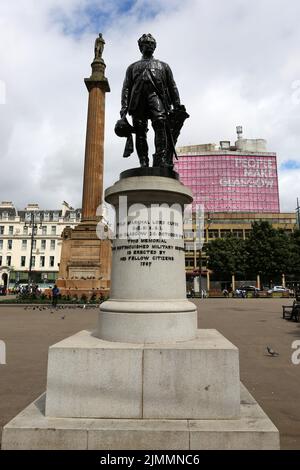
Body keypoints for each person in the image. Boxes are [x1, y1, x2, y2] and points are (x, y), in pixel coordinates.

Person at [118, 33, 187, 169]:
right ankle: (143, 161)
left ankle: (160, 158)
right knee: (140, 131)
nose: (149, 45)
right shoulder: (132, 67)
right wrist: (124, 106)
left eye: (151, 43)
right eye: (146, 43)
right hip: (137, 101)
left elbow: (172, 86)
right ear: (140, 47)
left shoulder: (164, 66)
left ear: (154, 47)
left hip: (157, 98)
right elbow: (126, 87)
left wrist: (177, 103)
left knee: (160, 124)